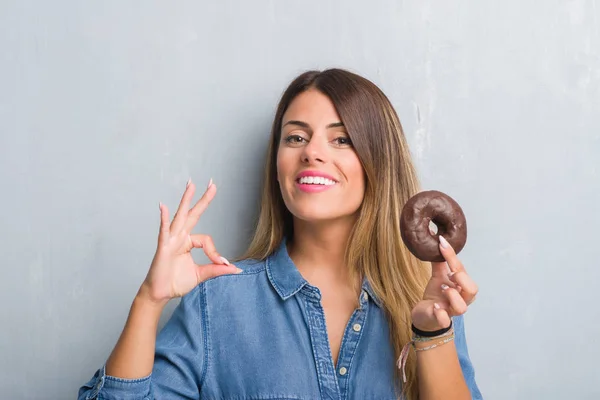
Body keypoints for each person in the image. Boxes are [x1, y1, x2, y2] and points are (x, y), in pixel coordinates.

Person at [78, 68, 482, 400]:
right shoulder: (217, 302)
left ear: (379, 162)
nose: (312, 152)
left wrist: (432, 335)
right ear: (278, 163)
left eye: (341, 139)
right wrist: (149, 301)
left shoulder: (428, 303)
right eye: (296, 137)